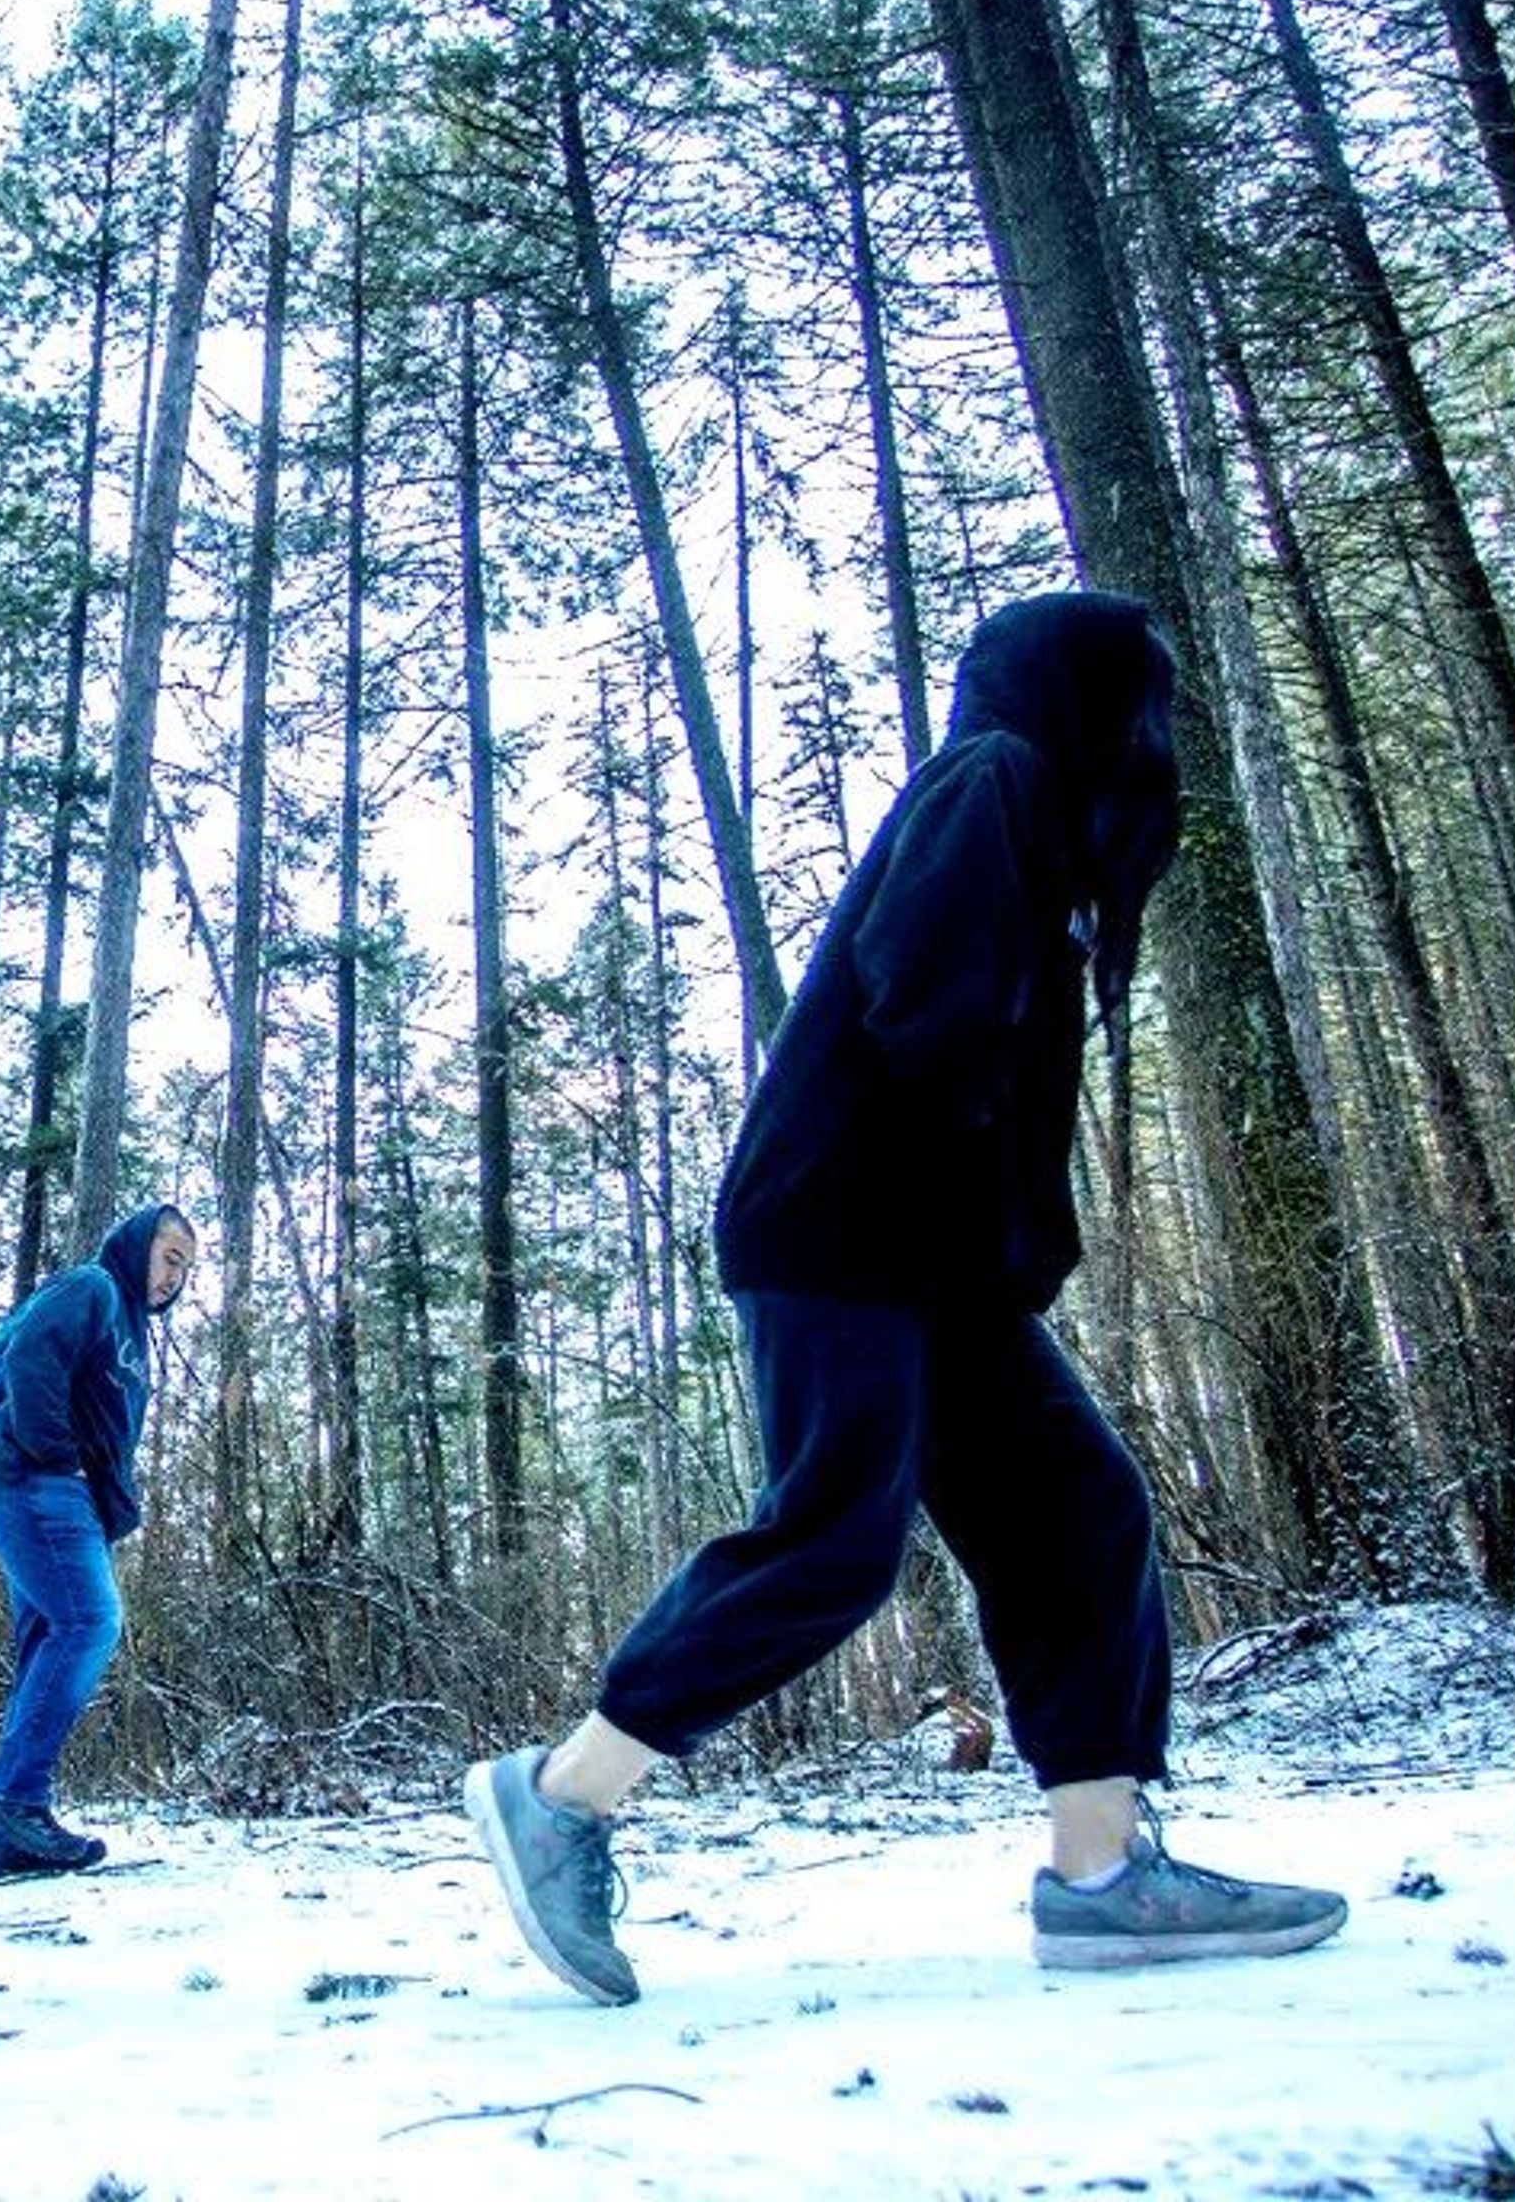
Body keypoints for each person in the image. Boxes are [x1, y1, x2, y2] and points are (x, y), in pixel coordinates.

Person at [464, 593, 1347, 2004]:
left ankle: (1105, 1876)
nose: (1157, 737)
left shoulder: (1037, 819)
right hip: (841, 1225)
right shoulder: (991, 778)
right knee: (836, 1541)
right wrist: (998, 1210)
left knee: (1079, 1512)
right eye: (1143, 701)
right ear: (1086, 695)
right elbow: (923, 1002)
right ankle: (563, 1795)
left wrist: (1004, 1244)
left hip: (931, 1253)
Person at [0, 1202, 196, 1878]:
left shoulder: (132, 1332)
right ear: (137, 1245)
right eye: (170, 1257)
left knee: (45, 1641)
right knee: (90, 1621)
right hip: (34, 1478)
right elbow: (35, 1358)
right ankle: (10, 1798)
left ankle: (13, 1839)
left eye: (187, 1270)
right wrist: (53, 1458)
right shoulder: (90, 1287)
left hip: (63, 1490)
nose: (176, 1277)